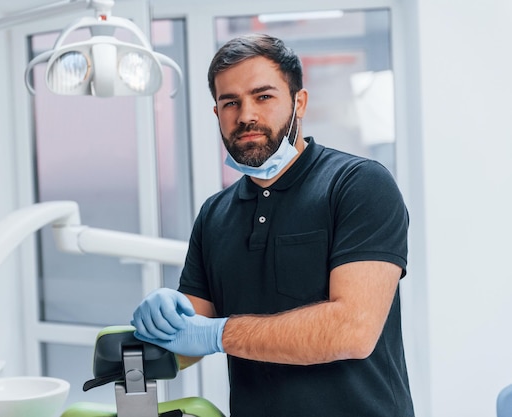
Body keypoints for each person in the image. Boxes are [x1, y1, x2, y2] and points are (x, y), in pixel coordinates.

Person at [132, 33, 414, 416]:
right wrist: (163, 322)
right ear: (217, 113)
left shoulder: (358, 184)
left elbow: (352, 330)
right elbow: (186, 342)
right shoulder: (215, 214)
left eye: (263, 96)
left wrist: (219, 333)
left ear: (299, 102)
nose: (246, 114)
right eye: (230, 102)